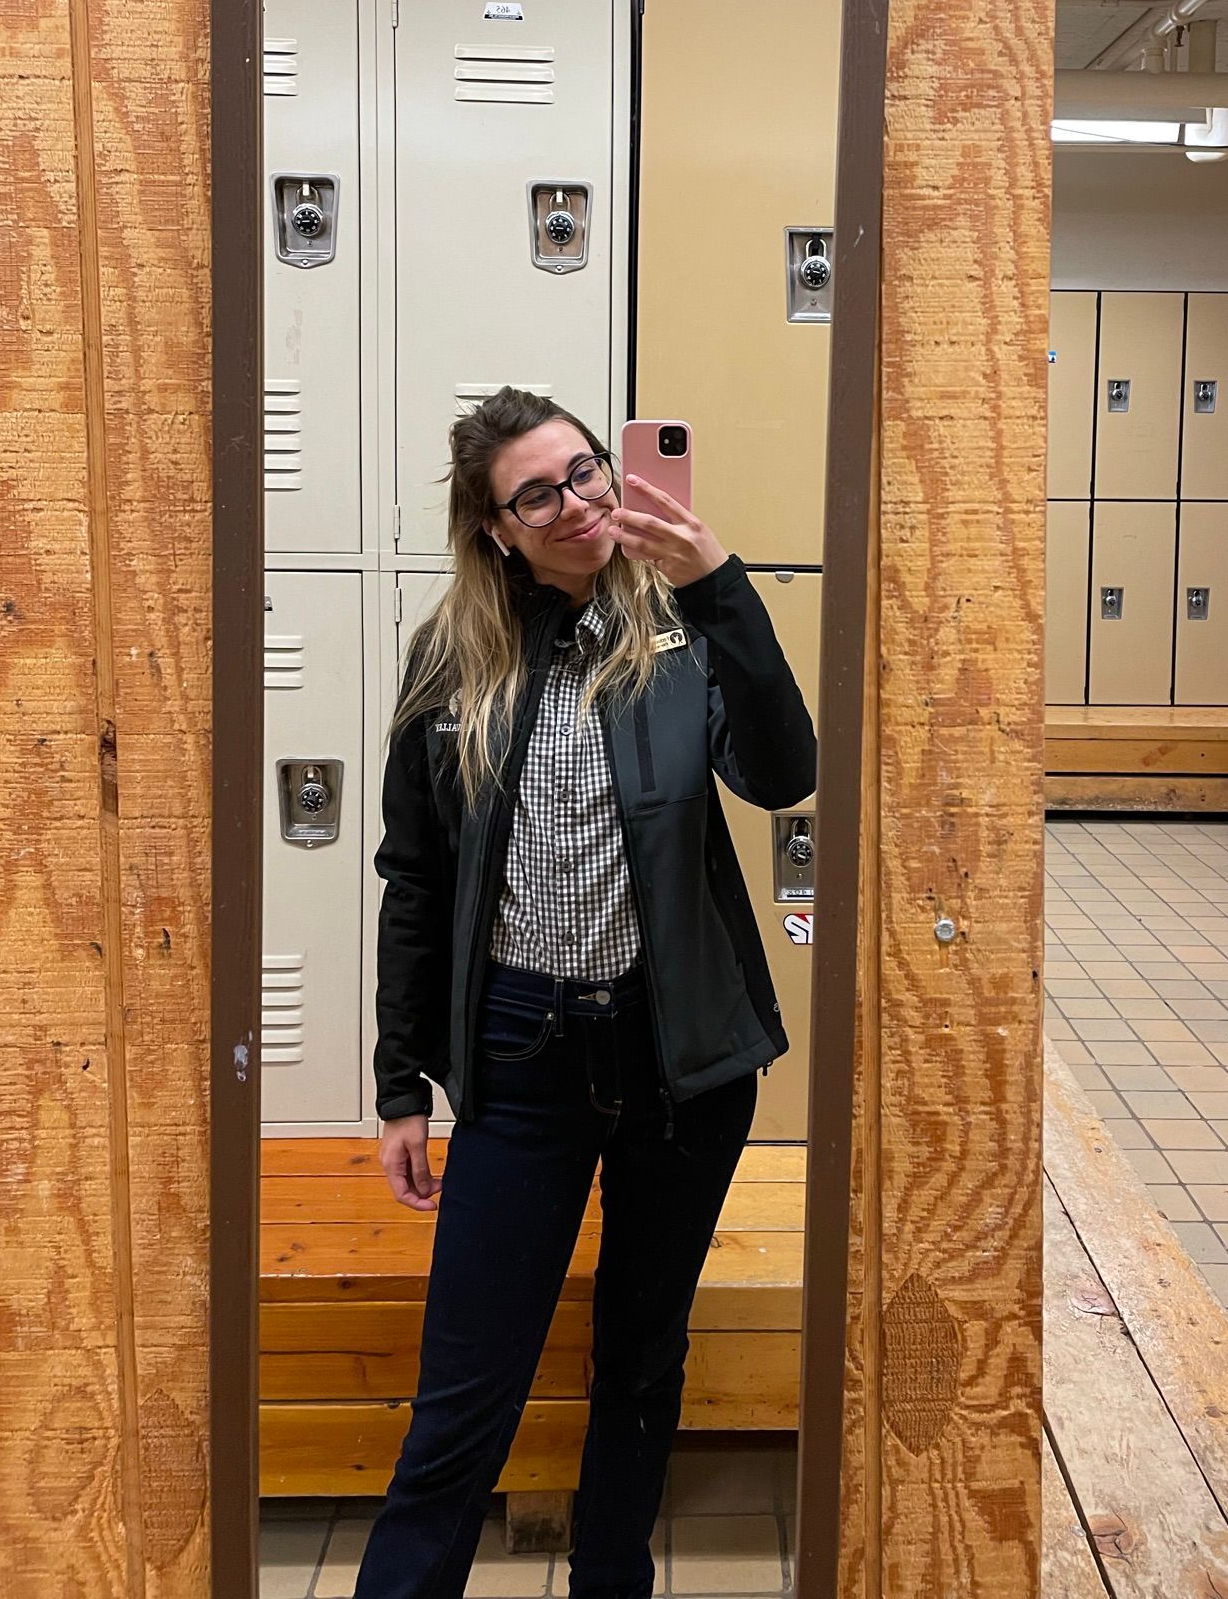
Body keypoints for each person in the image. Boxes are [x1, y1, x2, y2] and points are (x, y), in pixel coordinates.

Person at [354, 385, 816, 1599]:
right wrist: (401, 1080)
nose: (578, 502)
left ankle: (614, 1580)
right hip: (523, 1055)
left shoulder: (680, 624)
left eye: (586, 470)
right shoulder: (453, 662)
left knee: (641, 1360)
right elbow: (414, 877)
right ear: (497, 527)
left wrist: (721, 581)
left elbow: (782, 771)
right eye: (538, 493)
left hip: (680, 1062)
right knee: (468, 1383)